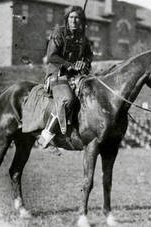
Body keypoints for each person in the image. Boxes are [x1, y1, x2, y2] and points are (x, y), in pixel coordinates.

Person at [37, 5, 93, 149]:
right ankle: (46, 135)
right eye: (71, 17)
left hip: (75, 76)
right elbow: (52, 56)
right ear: (67, 19)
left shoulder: (83, 38)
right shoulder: (59, 32)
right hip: (57, 74)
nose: (74, 21)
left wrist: (83, 63)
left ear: (81, 20)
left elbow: (88, 55)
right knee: (68, 99)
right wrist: (70, 65)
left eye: (77, 18)